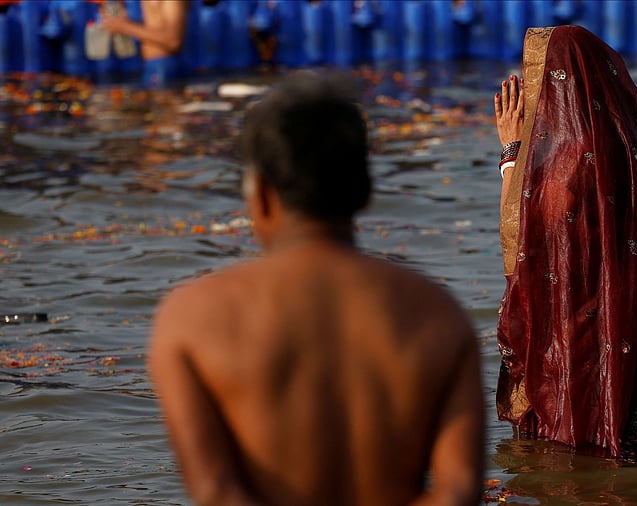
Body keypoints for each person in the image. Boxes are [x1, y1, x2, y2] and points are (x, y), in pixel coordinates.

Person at [149, 74, 485, 505]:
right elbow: (457, 492)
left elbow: (218, 492)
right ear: (364, 190)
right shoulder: (438, 315)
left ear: (262, 196)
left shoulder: (190, 319)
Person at [492, 25, 637, 458]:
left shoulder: (566, 162)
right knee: (616, 437)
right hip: (620, 330)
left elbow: (518, 246)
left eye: (538, 77)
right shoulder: (632, 149)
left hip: (571, 341)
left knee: (565, 448)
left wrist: (511, 152)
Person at [100, 0, 190, 87]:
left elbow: (173, 40)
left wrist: (124, 26)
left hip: (165, 66)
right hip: (149, 66)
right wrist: (119, 20)